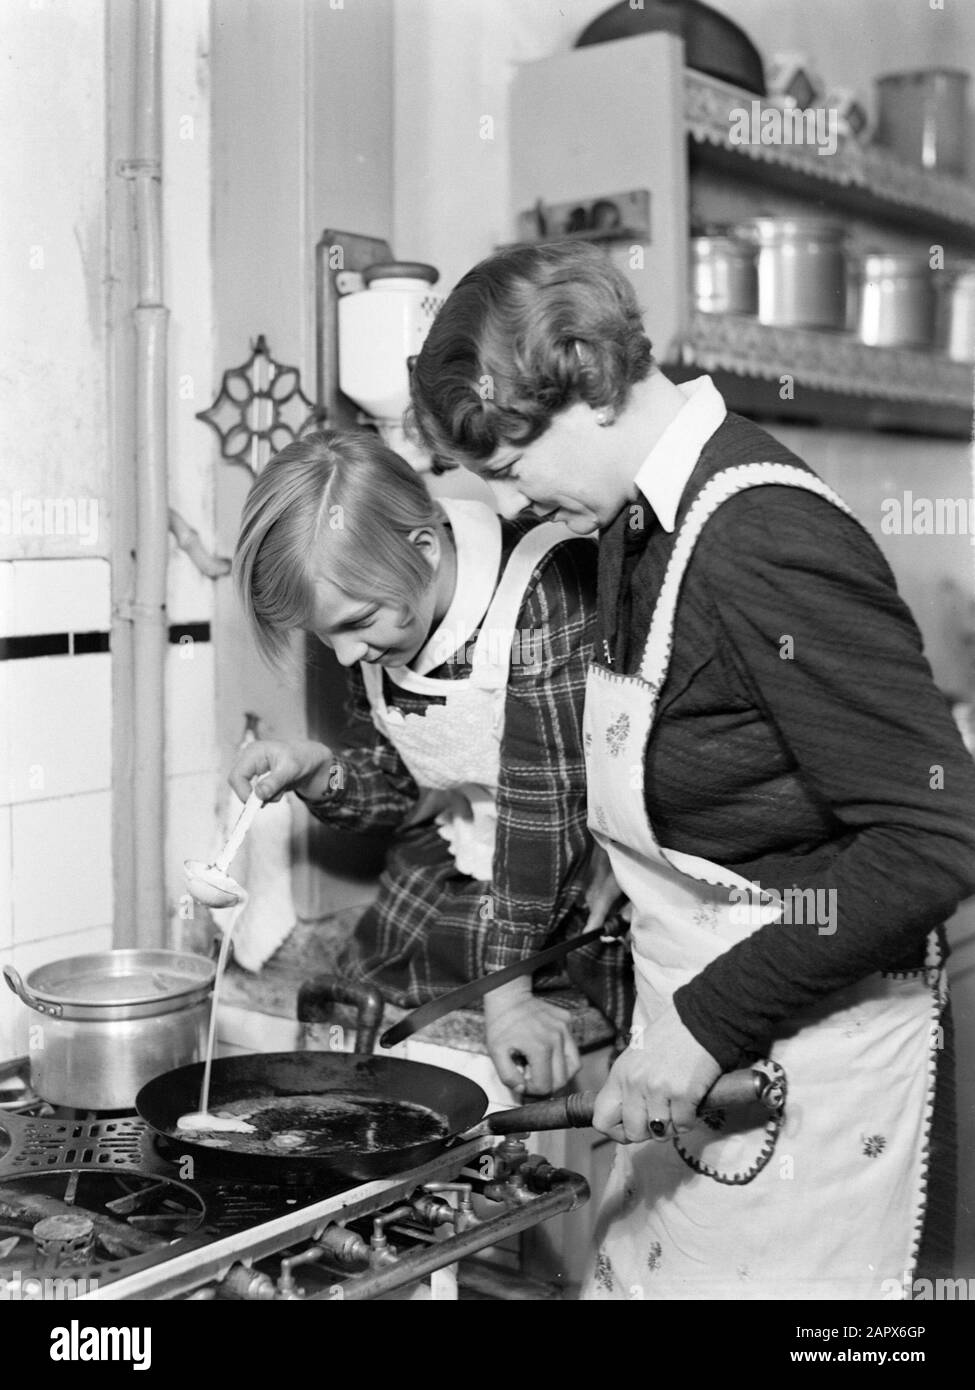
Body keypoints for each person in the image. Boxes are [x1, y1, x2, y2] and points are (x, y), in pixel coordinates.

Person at [406, 239, 975, 1300]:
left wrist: (706, 1024)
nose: (517, 502)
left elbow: (938, 835)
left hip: (822, 1079)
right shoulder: (635, 525)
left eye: (512, 468)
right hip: (703, 1070)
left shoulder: (760, 534)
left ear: (586, 387)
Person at [228, 427, 630, 1099]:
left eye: (357, 623)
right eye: (324, 637)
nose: (347, 656)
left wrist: (509, 994)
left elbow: (544, 814)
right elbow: (396, 783)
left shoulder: (541, 592)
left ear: (423, 547)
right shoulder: (385, 613)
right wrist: (317, 770)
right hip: (458, 862)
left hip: (570, 882)